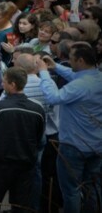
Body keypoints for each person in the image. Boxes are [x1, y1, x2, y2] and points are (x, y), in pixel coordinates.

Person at [37, 42, 102, 213]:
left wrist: (44, 72)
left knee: (71, 191)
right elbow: (77, 77)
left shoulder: (80, 86)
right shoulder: (96, 78)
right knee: (92, 189)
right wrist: (56, 67)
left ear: (80, 60)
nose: (69, 63)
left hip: (73, 146)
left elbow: (53, 97)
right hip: (96, 145)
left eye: (71, 59)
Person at [0, 67, 46, 213]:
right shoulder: (37, 109)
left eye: (4, 82)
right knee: (21, 206)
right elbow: (39, 139)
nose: (2, 85)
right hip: (25, 165)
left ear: (12, 84)